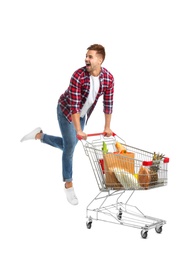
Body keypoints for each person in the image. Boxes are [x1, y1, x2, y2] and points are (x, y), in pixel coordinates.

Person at [20, 44, 114, 205]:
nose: (86, 59)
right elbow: (74, 106)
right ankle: (68, 184)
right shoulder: (78, 76)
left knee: (68, 145)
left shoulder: (108, 78)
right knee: (70, 146)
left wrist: (107, 127)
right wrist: (78, 129)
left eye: (90, 56)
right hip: (66, 111)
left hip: (82, 115)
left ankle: (39, 136)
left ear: (100, 59)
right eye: (86, 56)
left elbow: (108, 104)